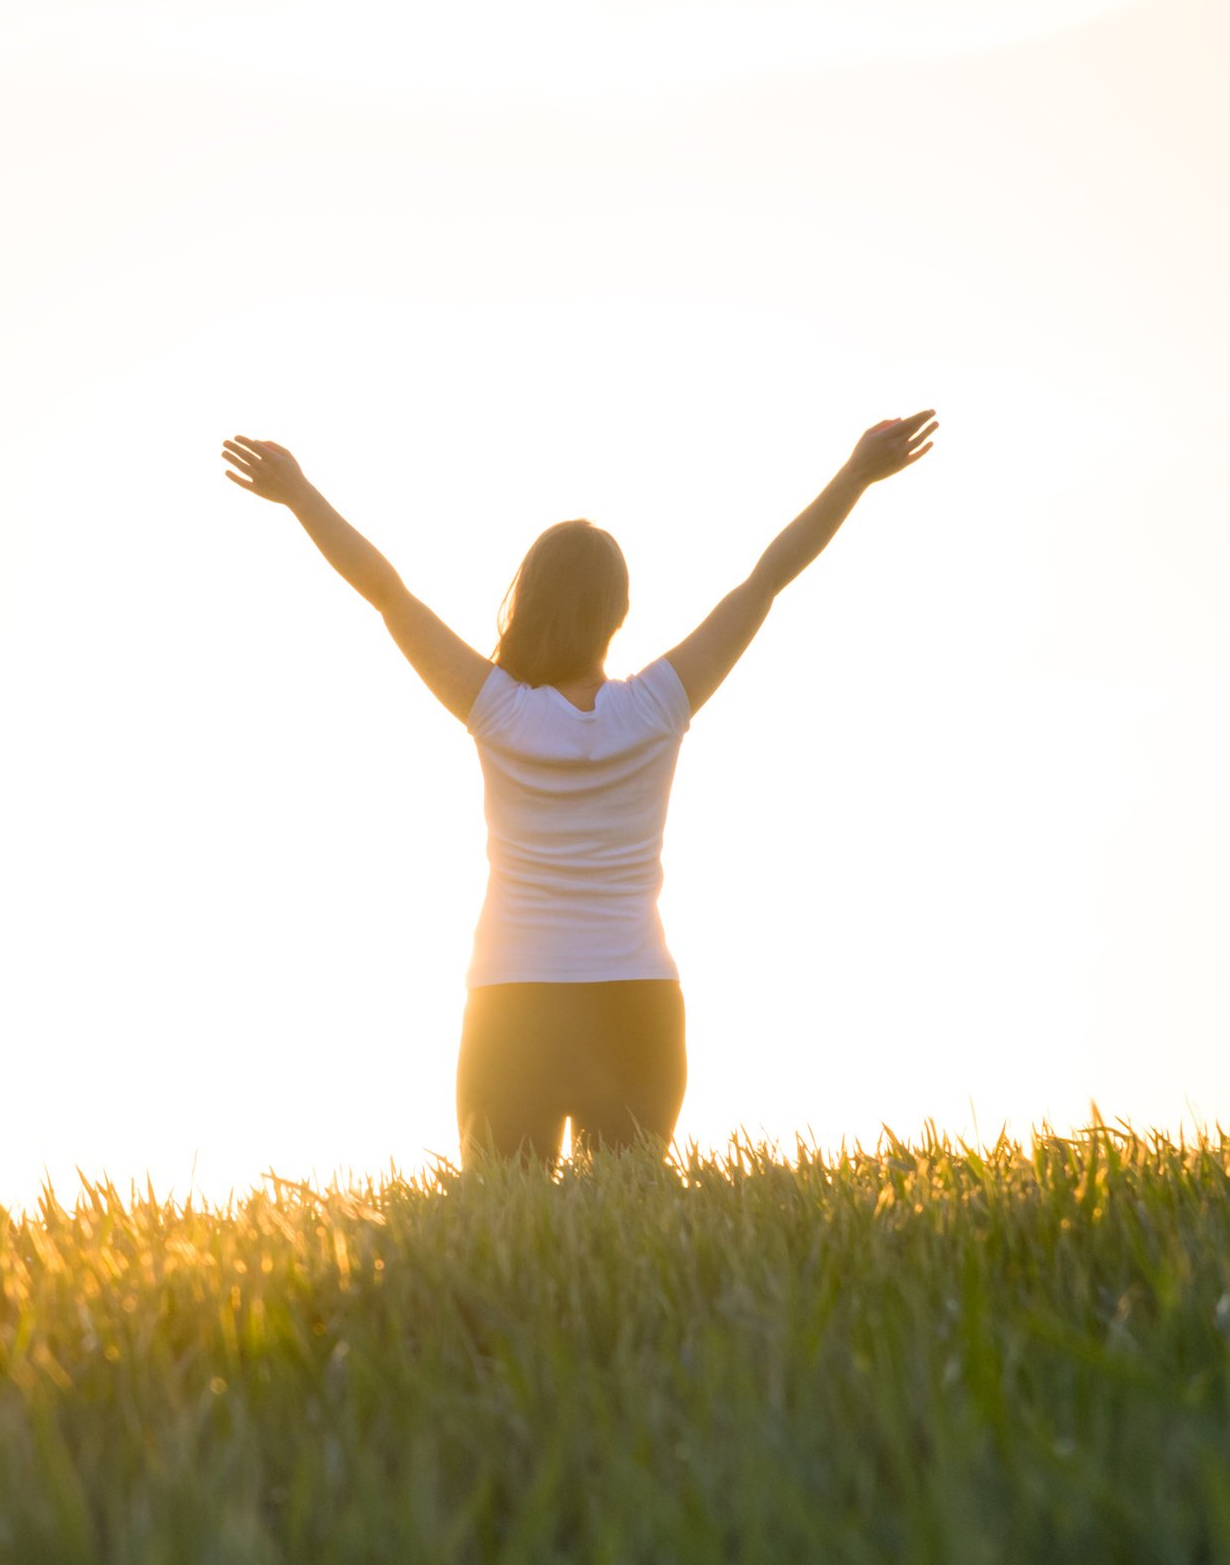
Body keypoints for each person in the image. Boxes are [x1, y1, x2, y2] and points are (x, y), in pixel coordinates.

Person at [220, 411, 938, 1170]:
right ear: (619, 613)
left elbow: (388, 593)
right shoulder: (658, 704)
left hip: (513, 1003)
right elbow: (765, 582)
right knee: (622, 1236)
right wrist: (856, 475)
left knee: (502, 1233)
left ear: (526, 599)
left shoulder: (498, 708)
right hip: (636, 1004)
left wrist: (299, 494)